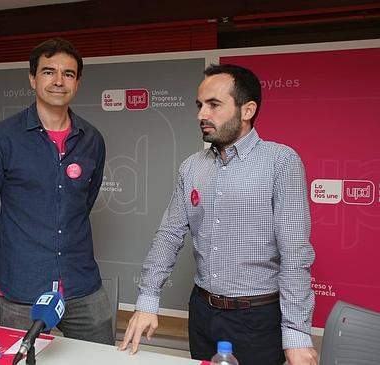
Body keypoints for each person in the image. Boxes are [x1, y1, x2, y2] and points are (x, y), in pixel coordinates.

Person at [118, 64, 318, 365]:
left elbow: (294, 253)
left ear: (247, 110)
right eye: (200, 105)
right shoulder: (191, 167)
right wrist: (148, 299)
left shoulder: (281, 162)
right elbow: (169, 236)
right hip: (202, 313)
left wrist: (296, 335)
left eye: (213, 105)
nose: (201, 114)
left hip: (257, 319)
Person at [0, 38, 113, 345]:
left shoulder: (92, 140)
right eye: (49, 72)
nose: (59, 81)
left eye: (69, 74)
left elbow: (82, 203)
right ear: (33, 78)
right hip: (22, 284)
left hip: (82, 283)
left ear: (77, 82)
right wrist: (8, 257)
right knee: (22, 358)